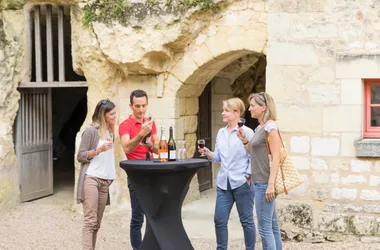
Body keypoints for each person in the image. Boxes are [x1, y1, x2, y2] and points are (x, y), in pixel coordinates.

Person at [198, 97, 256, 250]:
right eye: (223, 110)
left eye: (226, 110)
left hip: (243, 183)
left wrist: (248, 175)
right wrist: (208, 153)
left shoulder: (248, 132)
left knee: (246, 221)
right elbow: (218, 157)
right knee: (219, 220)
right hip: (224, 183)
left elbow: (254, 156)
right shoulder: (221, 132)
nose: (222, 113)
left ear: (236, 113)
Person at [237, 92, 283, 250]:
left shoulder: (271, 128)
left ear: (263, 107)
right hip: (260, 181)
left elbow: (276, 157)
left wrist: (271, 184)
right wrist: (244, 140)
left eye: (253, 105)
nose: (250, 109)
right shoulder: (260, 128)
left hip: (264, 183)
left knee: (264, 229)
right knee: (272, 226)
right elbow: (254, 153)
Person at [119, 89, 159, 250]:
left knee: (153, 215)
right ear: (131, 106)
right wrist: (141, 134)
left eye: (143, 106)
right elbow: (127, 148)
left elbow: (158, 150)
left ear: (147, 104)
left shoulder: (151, 123)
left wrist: (149, 144)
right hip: (135, 174)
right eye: (137, 106)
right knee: (137, 217)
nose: (141, 110)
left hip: (152, 171)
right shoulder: (125, 125)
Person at [76, 99, 117, 250]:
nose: (114, 116)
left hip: (105, 182)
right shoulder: (91, 131)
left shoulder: (111, 132)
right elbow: (80, 155)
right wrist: (98, 150)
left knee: (97, 224)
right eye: (112, 114)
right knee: (90, 221)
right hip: (91, 179)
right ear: (103, 115)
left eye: (115, 113)